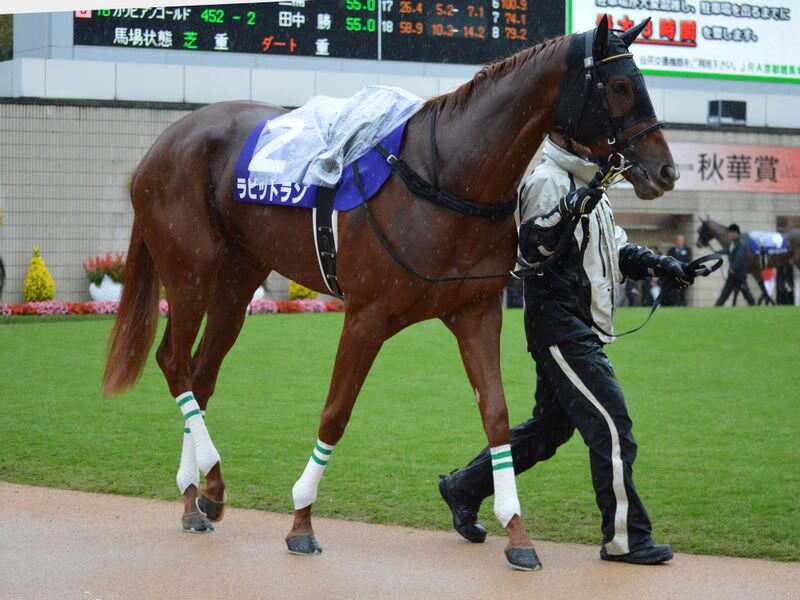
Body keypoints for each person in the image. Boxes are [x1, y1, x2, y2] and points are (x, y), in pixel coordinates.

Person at [438, 135, 696, 566]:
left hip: (577, 327)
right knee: (612, 426)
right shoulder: (548, 180)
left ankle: (464, 487)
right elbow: (532, 248)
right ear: (574, 139)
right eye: (598, 136)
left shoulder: (592, 185)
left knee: (549, 431)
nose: (606, 144)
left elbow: (614, 250)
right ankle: (626, 538)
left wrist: (661, 264)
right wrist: (570, 208)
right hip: (559, 328)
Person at [714, 224, 755, 306]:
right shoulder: (734, 243)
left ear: (735, 233)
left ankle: (753, 305)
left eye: (730, 233)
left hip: (739, 273)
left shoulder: (741, 244)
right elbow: (729, 250)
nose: (729, 235)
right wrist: (718, 252)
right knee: (725, 292)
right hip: (733, 273)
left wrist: (733, 268)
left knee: (745, 291)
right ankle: (717, 306)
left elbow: (739, 258)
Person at [667, 234, 692, 306]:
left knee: (683, 291)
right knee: (673, 291)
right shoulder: (671, 250)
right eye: (678, 240)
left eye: (681, 240)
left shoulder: (688, 250)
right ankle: (674, 305)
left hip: (683, 273)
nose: (679, 241)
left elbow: (688, 260)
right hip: (674, 274)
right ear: (676, 241)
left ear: (683, 241)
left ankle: (683, 305)